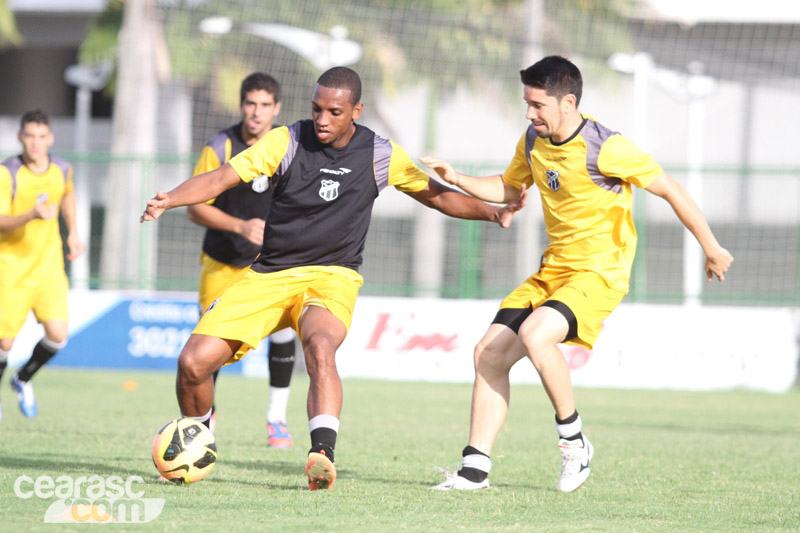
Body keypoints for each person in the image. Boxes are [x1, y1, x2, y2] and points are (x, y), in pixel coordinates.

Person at [141, 66, 528, 490]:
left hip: (332, 275)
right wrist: (170, 199)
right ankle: (196, 438)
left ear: (356, 111)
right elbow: (221, 178)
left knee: (320, 346)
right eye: (317, 109)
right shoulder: (286, 140)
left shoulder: (379, 154)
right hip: (270, 273)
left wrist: (494, 212)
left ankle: (321, 454)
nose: (322, 120)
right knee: (193, 363)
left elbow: (437, 196)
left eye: (334, 112)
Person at [421, 55, 734, 492]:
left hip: (600, 271)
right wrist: (458, 178)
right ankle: (474, 470)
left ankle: (574, 443)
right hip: (555, 269)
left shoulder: (606, 146)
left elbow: (670, 188)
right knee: (487, 353)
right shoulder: (534, 139)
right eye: (527, 103)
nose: (529, 113)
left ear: (568, 102)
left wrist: (712, 248)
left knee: (535, 334)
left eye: (537, 105)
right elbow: (510, 187)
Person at [188, 72, 297, 447]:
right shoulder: (220, 146)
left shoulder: (287, 145)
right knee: (208, 346)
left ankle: (277, 419)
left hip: (269, 265)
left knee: (283, 332)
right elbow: (195, 208)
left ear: (276, 108)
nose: (256, 112)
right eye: (251, 103)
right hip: (221, 262)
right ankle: (205, 422)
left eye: (265, 105)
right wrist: (240, 225)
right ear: (241, 105)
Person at [0, 109, 85, 420]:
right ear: (20, 137)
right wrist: (31, 215)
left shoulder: (62, 168)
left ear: (50, 138)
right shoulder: (7, 173)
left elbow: (68, 194)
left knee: (58, 335)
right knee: (4, 342)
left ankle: (22, 379)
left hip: (48, 267)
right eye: (29, 136)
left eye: (41, 136)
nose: (35, 143)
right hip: (11, 268)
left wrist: (73, 231)